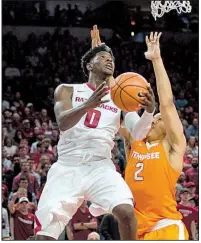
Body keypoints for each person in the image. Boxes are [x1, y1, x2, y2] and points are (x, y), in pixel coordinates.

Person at [34, 26, 155, 240]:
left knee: (126, 213)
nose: (110, 61)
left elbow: (137, 134)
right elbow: (62, 122)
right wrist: (87, 105)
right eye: (103, 57)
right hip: (68, 166)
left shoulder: (120, 99)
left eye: (112, 59)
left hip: (100, 165)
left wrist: (149, 111)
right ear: (90, 64)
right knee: (46, 234)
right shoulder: (67, 89)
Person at [122, 32, 188, 240]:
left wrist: (157, 60)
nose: (153, 120)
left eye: (158, 119)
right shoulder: (134, 141)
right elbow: (120, 103)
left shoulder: (172, 146)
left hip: (165, 227)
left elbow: (166, 103)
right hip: (138, 231)